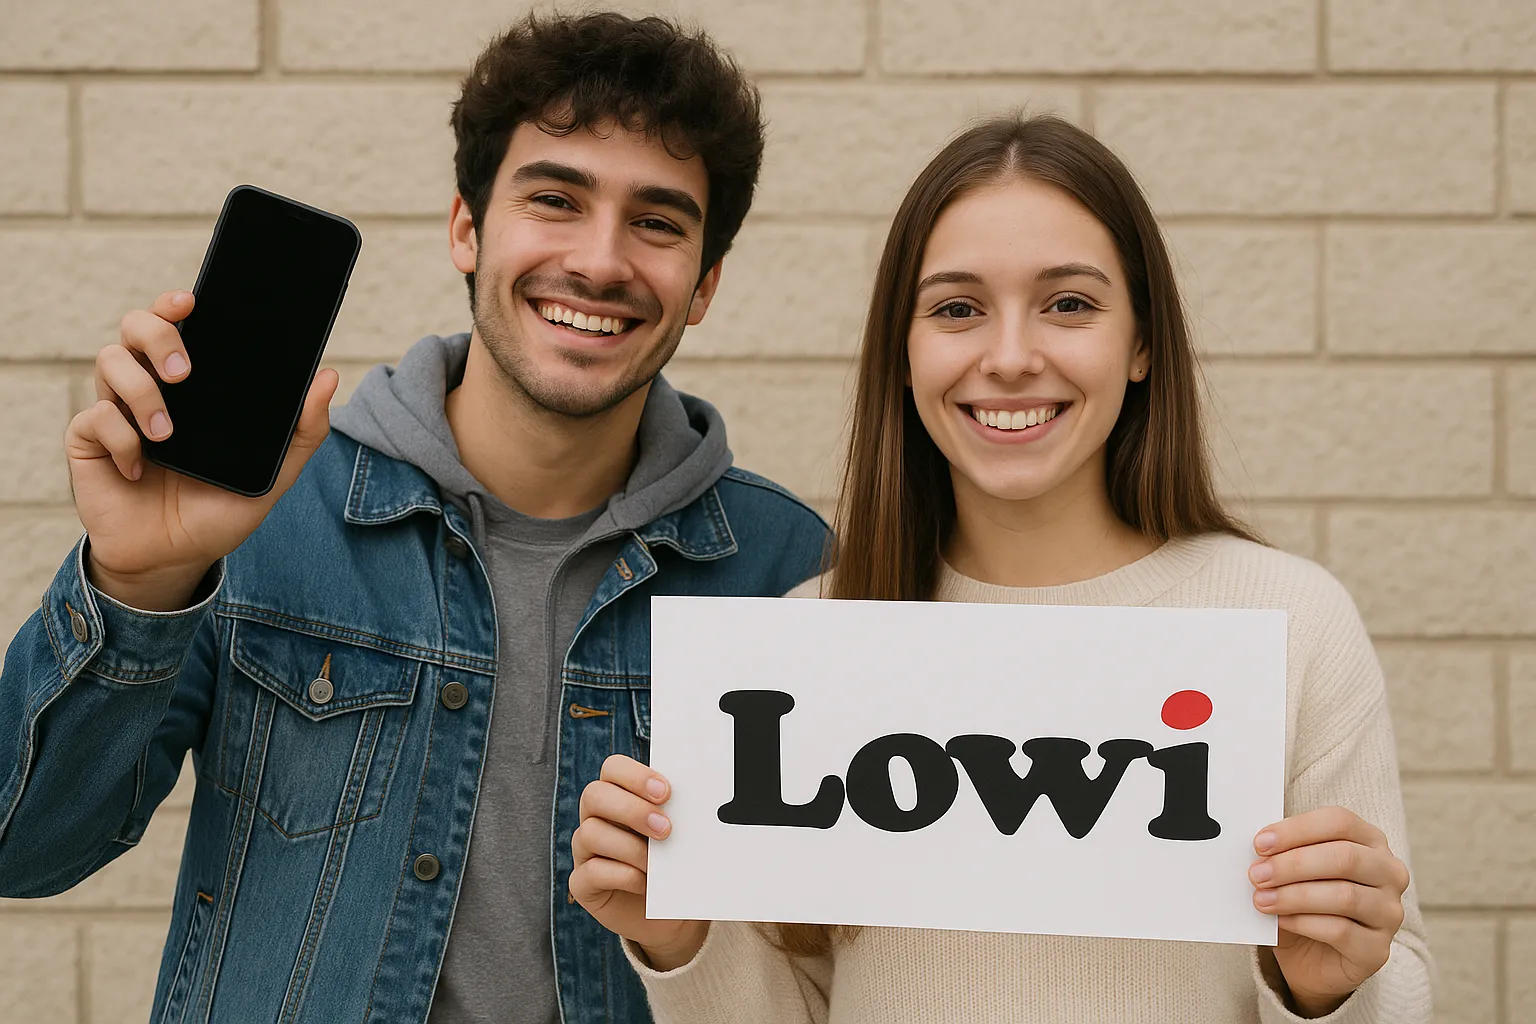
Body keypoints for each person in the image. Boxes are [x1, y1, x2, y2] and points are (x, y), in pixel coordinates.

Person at [0, 12, 828, 1024]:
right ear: (466, 230)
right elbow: (23, 851)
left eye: (657, 222)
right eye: (555, 199)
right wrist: (136, 583)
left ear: (703, 285)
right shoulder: (266, 520)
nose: (601, 260)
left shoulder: (789, 575)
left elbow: (823, 969)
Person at [571, 114, 1433, 1023]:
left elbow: (1400, 981)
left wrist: (1327, 987)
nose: (1012, 358)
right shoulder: (809, 644)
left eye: (1070, 305)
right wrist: (682, 940)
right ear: (903, 352)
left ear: (1142, 342)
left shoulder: (1292, 624)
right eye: (957, 309)